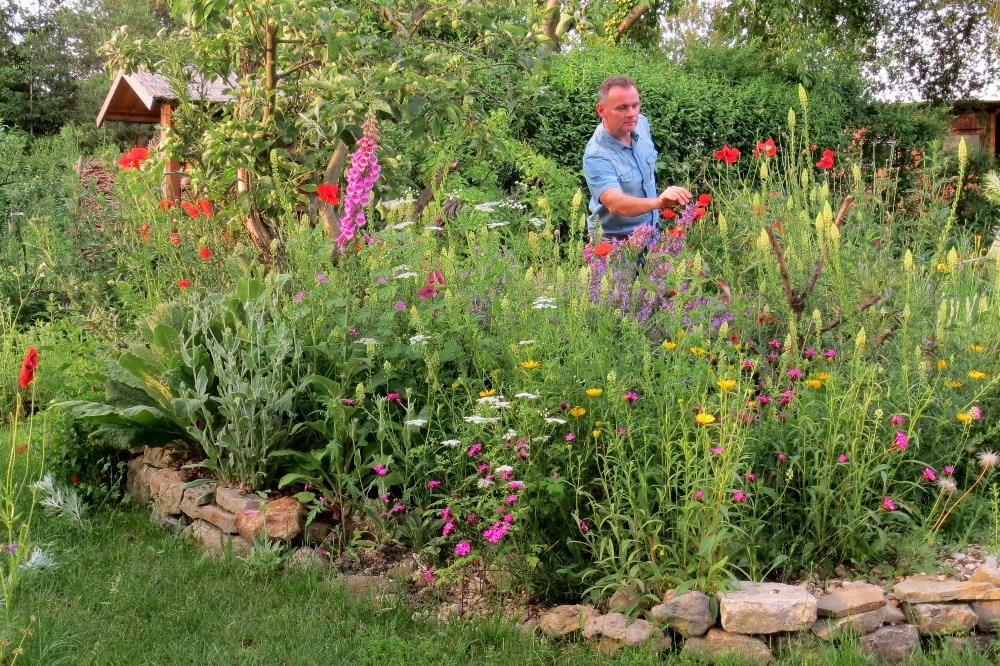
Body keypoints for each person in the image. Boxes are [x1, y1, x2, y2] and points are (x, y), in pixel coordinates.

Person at [583, 76, 692, 242]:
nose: (631, 114)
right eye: (622, 108)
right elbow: (616, 204)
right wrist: (659, 202)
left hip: (651, 233)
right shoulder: (597, 155)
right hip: (616, 246)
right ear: (601, 110)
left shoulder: (641, 123)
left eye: (635, 106)